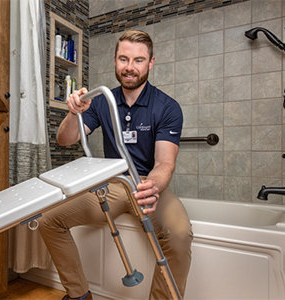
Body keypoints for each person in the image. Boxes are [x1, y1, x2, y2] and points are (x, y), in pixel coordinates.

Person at [39, 30, 193, 300]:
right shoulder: (100, 102)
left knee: (179, 235)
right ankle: (78, 294)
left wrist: (151, 186)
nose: (130, 67)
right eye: (124, 59)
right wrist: (74, 112)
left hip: (145, 182)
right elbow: (65, 140)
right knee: (48, 220)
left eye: (138, 60)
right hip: (112, 184)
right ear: (114, 61)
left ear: (151, 63)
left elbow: (165, 162)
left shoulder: (167, 107)